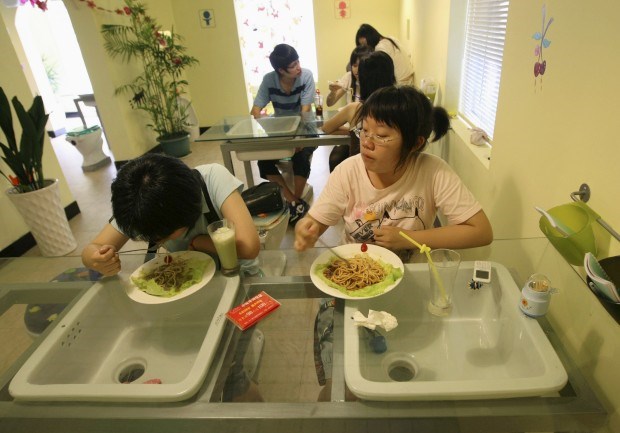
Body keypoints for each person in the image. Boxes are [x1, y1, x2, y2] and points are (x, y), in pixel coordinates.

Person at [296, 86, 493, 400]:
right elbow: (319, 219)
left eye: (382, 136)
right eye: (364, 131)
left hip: (410, 284)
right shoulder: (348, 171)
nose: (367, 143)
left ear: (414, 143)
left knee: (411, 370)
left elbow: (480, 231)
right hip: (353, 284)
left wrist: (409, 239)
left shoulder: (432, 172)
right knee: (339, 383)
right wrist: (309, 227)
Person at [81, 153, 260, 276]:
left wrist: (199, 242)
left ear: (186, 213)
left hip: (239, 275)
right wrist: (97, 259)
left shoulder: (212, 178)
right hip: (193, 278)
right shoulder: (137, 206)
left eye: (162, 237)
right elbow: (92, 249)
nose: (158, 241)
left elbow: (249, 247)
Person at [251, 43, 316, 225]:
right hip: (281, 131)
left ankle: (293, 201)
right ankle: (294, 201)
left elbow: (305, 111)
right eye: (293, 65)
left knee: (301, 157)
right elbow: (255, 111)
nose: (298, 67)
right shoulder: (269, 80)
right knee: (264, 162)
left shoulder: (306, 76)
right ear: (281, 70)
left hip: (305, 129)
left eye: (298, 62)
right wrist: (266, 122)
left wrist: (299, 137)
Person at [323, 51, 396, 171]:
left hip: (359, 172)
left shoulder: (356, 109)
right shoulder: (399, 107)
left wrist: (353, 131)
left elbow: (326, 128)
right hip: (390, 171)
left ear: (362, 79)